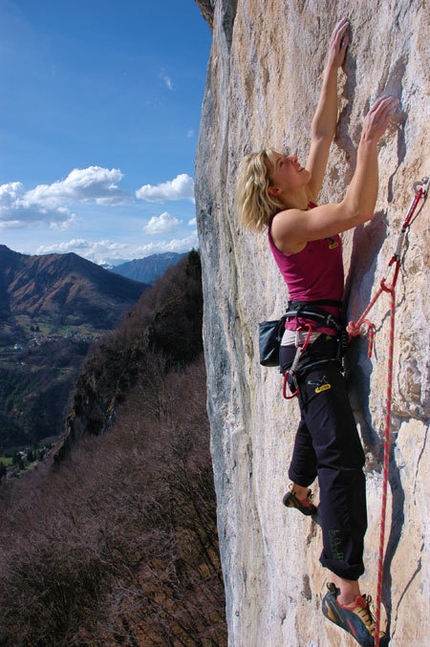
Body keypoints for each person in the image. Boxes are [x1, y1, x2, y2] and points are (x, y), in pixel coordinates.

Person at [235, 17, 398, 647]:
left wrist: (333, 66)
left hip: (314, 349)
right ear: (278, 187)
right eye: (287, 163)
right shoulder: (287, 227)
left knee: (316, 421)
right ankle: (346, 593)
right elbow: (357, 209)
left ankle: (298, 490)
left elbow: (319, 129)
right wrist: (372, 145)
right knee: (344, 458)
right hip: (316, 357)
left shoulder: (296, 209)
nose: (300, 159)